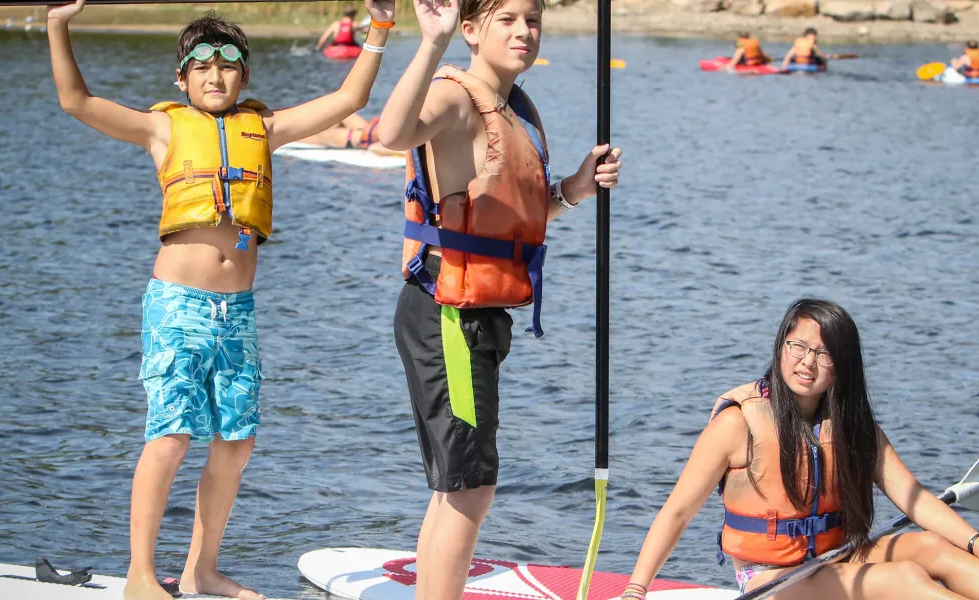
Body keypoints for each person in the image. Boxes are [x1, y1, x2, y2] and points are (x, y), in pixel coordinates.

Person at [46, 1, 395, 598]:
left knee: (236, 443)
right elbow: (76, 102)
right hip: (177, 306)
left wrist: (381, 27)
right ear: (181, 79)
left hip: (237, 313)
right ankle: (140, 575)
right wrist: (58, 23)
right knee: (172, 434)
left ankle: (201, 570)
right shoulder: (162, 128)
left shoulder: (265, 127)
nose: (215, 75)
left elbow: (348, 100)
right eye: (201, 65)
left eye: (228, 64)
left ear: (245, 76)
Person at [372, 0, 623, 596]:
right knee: (470, 484)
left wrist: (575, 190)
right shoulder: (459, 97)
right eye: (506, 18)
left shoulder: (514, 108)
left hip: (478, 318)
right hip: (448, 314)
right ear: (471, 30)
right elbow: (390, 135)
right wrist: (429, 43)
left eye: (532, 20)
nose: (523, 31)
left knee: (460, 482)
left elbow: (512, 217)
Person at [620, 299, 979, 600]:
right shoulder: (738, 424)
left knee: (932, 547)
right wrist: (637, 591)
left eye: (823, 354)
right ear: (781, 346)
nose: (807, 362)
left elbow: (917, 501)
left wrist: (977, 541)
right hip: (771, 582)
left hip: (835, 557)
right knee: (907, 579)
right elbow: (676, 512)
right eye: (798, 347)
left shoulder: (854, 428)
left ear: (842, 366)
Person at [296, 113, 403, 156]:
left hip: (354, 137)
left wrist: (402, 154)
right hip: (365, 128)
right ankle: (298, 127)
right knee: (341, 112)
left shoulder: (405, 149)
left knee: (319, 137)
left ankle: (293, 134)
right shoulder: (412, 139)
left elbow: (374, 148)